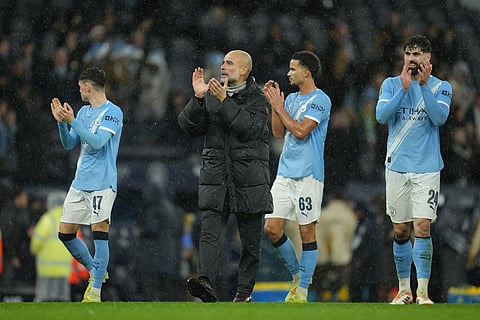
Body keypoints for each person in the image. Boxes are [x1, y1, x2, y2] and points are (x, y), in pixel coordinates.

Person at [178, 50, 273, 302]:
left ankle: (243, 292)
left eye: (229, 63)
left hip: (249, 179)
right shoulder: (210, 95)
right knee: (209, 233)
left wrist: (223, 103)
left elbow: (249, 130)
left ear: (244, 70)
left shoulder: (259, 99)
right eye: (222, 62)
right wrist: (198, 99)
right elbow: (188, 127)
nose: (223, 67)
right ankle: (206, 283)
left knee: (251, 242)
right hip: (216, 176)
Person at [375, 34, 452, 305]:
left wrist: (421, 87)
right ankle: (404, 290)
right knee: (399, 230)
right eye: (408, 53)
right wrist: (404, 89)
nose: (411, 58)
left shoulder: (442, 87)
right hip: (396, 167)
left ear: (428, 59)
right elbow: (381, 116)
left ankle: (423, 292)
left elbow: (439, 118)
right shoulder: (391, 84)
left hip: (427, 169)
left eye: (417, 54)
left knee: (422, 226)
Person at [263, 50, 332, 303]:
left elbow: (301, 131)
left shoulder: (321, 100)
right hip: (284, 173)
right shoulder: (290, 99)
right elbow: (279, 132)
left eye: (293, 69)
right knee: (271, 228)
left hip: (308, 175)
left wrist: (281, 109)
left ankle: (302, 290)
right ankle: (298, 275)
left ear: (307, 72)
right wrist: (275, 108)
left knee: (306, 233)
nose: (288, 73)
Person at [50, 66, 123, 303]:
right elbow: (70, 143)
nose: (78, 90)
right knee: (65, 233)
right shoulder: (82, 113)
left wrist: (73, 121)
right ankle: (96, 271)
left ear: (88, 86)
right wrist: (63, 123)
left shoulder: (113, 112)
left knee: (100, 233)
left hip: (102, 183)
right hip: (80, 182)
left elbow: (98, 142)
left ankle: (95, 292)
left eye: (80, 86)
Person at [30, 190, 72, 302]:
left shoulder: (48, 219)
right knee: (63, 299)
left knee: (44, 298)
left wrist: (33, 250)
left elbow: (36, 242)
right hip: (63, 268)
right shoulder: (68, 220)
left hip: (46, 268)